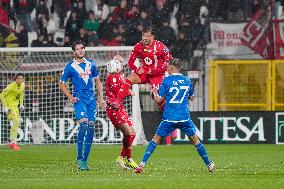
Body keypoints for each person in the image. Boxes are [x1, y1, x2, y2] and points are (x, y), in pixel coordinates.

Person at [134, 58, 216, 173]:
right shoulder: (187, 80)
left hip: (169, 117)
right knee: (195, 141)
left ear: (172, 68)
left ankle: (142, 164)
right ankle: (209, 164)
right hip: (183, 117)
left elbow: (158, 100)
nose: (166, 68)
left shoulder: (166, 81)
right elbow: (192, 98)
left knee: (155, 140)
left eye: (168, 66)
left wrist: (153, 92)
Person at [59, 40, 104, 171]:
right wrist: (70, 96)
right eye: (78, 49)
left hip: (91, 100)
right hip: (79, 100)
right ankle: (79, 157)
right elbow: (62, 83)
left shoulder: (92, 64)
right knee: (84, 125)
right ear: (74, 52)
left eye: (82, 48)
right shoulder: (70, 66)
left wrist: (101, 98)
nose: (81, 50)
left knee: (91, 127)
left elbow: (97, 81)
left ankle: (85, 159)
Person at [109, 26, 171, 111]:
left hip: (157, 74)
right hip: (145, 72)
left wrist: (154, 71)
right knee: (130, 78)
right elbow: (130, 62)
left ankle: (168, 113)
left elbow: (166, 64)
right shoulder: (138, 46)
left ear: (153, 36)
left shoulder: (161, 47)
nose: (144, 38)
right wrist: (137, 69)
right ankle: (118, 103)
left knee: (158, 99)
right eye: (143, 35)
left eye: (147, 36)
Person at [105, 55, 137, 170]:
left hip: (120, 108)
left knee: (133, 132)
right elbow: (119, 91)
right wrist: (129, 92)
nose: (121, 64)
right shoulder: (113, 76)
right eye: (119, 62)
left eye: (122, 62)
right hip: (113, 109)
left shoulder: (119, 75)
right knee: (128, 133)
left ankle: (122, 157)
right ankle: (129, 159)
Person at [0, 73, 25, 151]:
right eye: (19, 78)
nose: (20, 80)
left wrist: (21, 104)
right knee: (16, 121)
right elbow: (1, 95)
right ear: (16, 79)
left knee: (16, 123)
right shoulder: (11, 86)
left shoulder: (23, 85)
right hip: (10, 107)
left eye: (22, 78)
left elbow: (21, 93)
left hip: (16, 107)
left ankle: (12, 142)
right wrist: (5, 106)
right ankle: (14, 143)